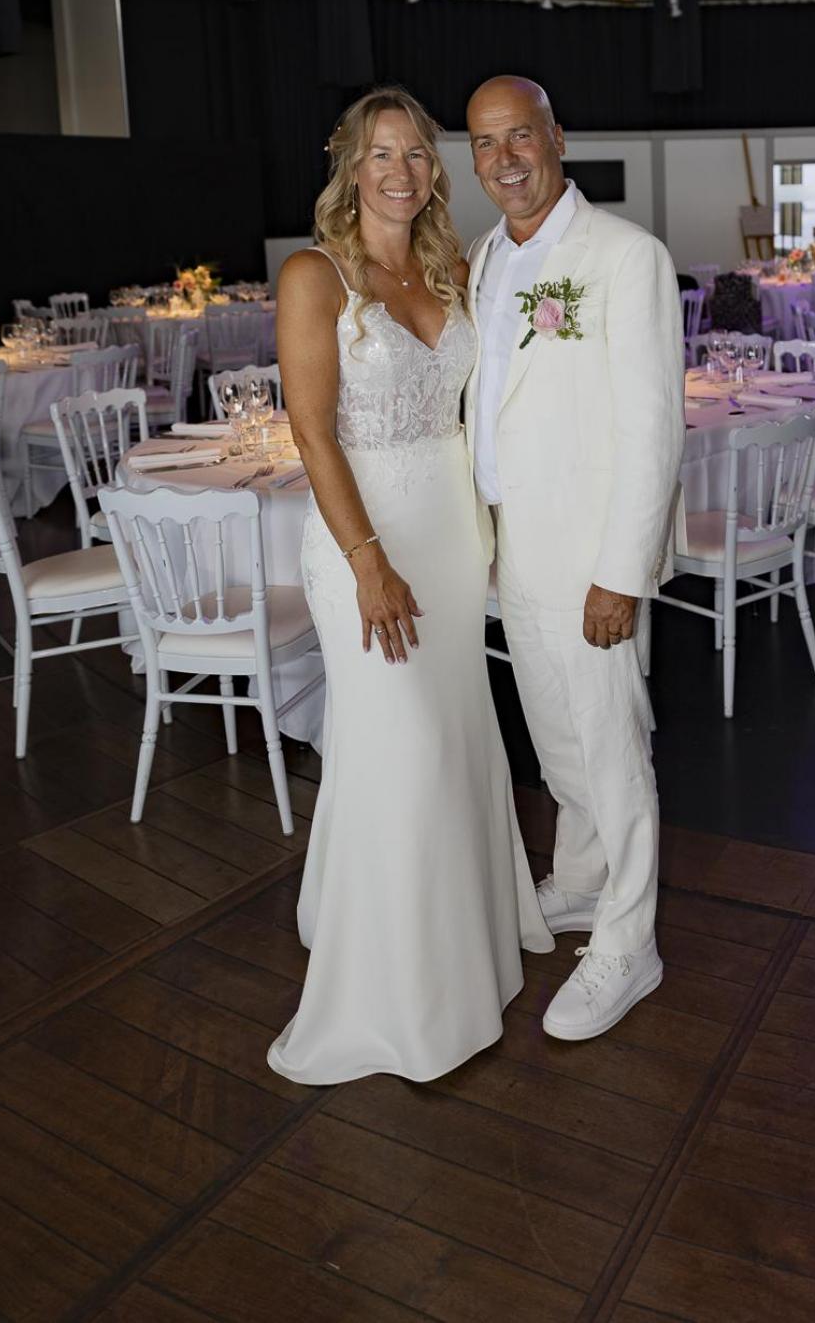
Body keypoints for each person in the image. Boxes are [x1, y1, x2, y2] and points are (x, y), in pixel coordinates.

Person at [268, 86, 551, 1086]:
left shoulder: (452, 268)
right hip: (368, 546)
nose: (401, 171)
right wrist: (367, 562)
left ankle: (470, 947)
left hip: (451, 538)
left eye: (417, 154)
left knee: (456, 739)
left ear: (435, 171)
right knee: (407, 750)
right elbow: (311, 432)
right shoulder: (313, 275)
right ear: (351, 168)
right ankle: (403, 997)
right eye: (381, 154)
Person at [465, 76, 685, 1041]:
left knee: (611, 746)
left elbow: (653, 429)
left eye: (520, 135)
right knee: (557, 742)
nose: (505, 159)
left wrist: (621, 573)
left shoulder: (625, 256)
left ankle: (630, 942)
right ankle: (587, 880)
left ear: (557, 136)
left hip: (592, 557)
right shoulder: (484, 256)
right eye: (484, 143)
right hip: (512, 548)